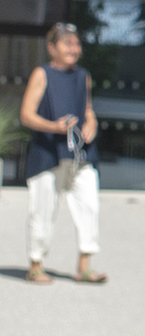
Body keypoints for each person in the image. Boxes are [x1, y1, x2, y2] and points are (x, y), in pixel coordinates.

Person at [18, 23, 104, 284]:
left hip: (80, 153)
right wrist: (53, 127)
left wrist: (92, 124)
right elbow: (26, 115)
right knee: (42, 209)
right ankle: (36, 264)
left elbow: (87, 110)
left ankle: (85, 266)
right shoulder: (41, 74)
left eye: (76, 44)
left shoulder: (83, 76)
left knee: (89, 205)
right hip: (48, 153)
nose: (74, 49)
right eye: (68, 44)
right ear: (52, 47)